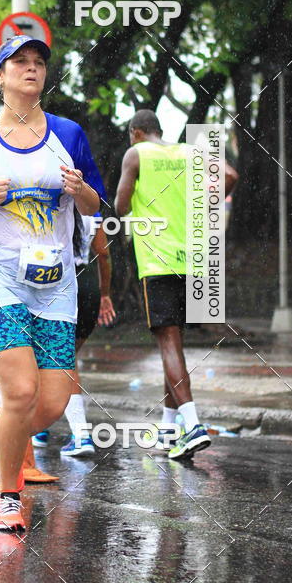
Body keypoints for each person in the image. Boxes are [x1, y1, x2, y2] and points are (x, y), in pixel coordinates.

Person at [0, 34, 106, 532]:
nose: (31, 69)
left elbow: (96, 205)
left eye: (38, 63)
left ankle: (2, 438)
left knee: (51, 402)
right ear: (2, 76)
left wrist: (81, 190)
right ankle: (7, 497)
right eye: (20, 62)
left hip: (53, 281)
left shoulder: (69, 134)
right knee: (21, 389)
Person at [115, 109, 238, 461]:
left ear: (136, 132)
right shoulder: (190, 151)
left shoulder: (135, 154)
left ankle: (193, 425)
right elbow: (230, 174)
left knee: (169, 344)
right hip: (196, 260)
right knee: (176, 345)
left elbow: (121, 207)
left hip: (159, 261)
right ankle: (170, 430)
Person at [33, 211, 116, 456]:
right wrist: (105, 293)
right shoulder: (91, 207)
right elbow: (104, 254)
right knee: (58, 360)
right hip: (89, 285)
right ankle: (40, 425)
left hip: (59, 281)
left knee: (60, 360)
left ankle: (80, 434)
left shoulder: (49, 202)